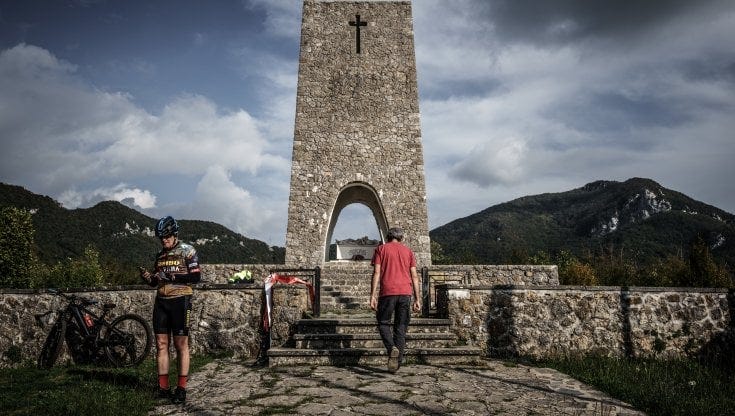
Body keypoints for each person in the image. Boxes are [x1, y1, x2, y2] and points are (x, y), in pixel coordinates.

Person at [140, 216, 201, 405]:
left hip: (180, 300)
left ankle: (181, 388)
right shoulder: (160, 255)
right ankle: (163, 388)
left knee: (181, 344)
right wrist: (148, 278)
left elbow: (196, 277)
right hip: (161, 301)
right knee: (161, 344)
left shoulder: (187, 250)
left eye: (166, 237)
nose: (164, 240)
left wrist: (173, 276)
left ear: (174, 234)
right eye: (161, 238)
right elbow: (156, 281)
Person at [369, 227, 421, 372]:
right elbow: (415, 276)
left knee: (383, 323)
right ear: (401, 238)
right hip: (405, 293)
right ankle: (396, 365)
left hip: (387, 293)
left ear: (387, 237)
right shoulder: (408, 252)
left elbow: (377, 273)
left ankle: (391, 348)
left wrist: (372, 295)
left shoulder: (381, 249)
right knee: (401, 327)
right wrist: (417, 299)